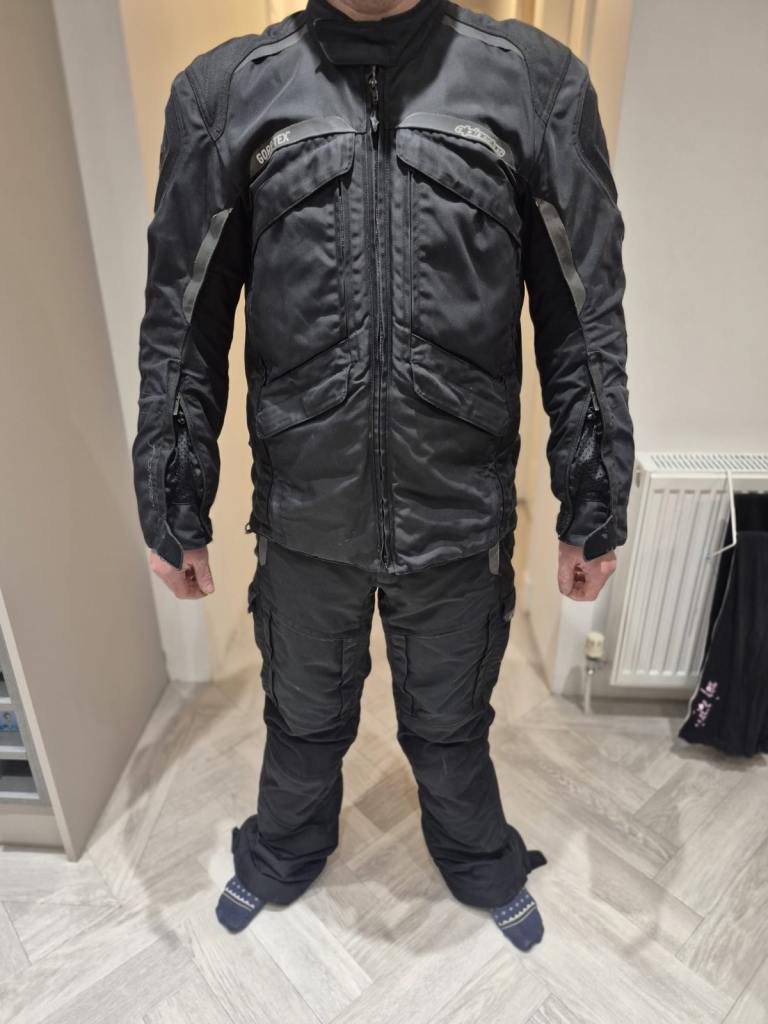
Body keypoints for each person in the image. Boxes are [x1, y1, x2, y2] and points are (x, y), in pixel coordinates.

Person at [131, 0, 634, 953]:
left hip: (460, 515)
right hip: (303, 516)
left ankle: (475, 854)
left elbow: (583, 317)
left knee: (451, 723)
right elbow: (182, 319)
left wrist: (593, 500)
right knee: (302, 717)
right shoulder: (224, 95)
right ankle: (284, 848)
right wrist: (172, 499)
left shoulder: (536, 84)